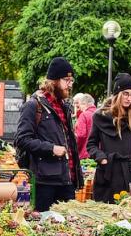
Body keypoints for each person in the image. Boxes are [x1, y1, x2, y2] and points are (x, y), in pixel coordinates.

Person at [14, 58, 83, 212]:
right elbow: (22, 140)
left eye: (71, 80)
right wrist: (51, 148)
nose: (70, 84)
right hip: (45, 182)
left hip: (67, 180)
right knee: (44, 227)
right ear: (54, 81)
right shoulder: (33, 105)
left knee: (69, 228)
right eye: (66, 80)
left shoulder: (64, 106)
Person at [87, 73, 131, 202]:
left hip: (129, 173)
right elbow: (91, 144)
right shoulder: (100, 116)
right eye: (126, 94)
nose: (129, 98)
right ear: (117, 94)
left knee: (128, 215)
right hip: (107, 172)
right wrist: (102, 159)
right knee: (103, 215)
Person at [73, 93, 97, 159]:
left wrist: (75, 148)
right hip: (98, 154)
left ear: (84, 104)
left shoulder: (84, 115)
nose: (79, 108)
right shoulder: (99, 114)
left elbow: (80, 135)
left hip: (85, 153)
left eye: (80, 105)